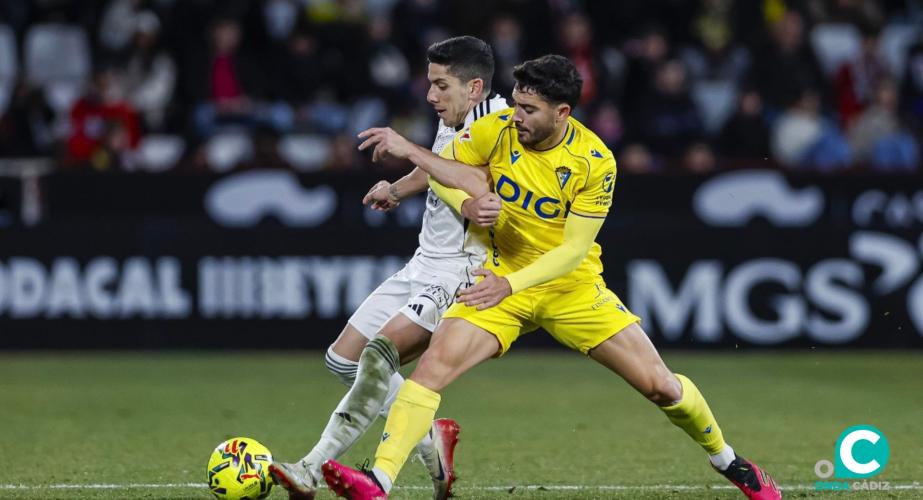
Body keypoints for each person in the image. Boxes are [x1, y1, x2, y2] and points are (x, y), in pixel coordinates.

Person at [322, 55, 783, 500]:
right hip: (501, 278)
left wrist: (509, 284)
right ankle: (378, 483)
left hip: (570, 287)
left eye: (528, 109)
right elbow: (448, 172)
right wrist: (464, 199)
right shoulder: (497, 129)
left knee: (661, 386)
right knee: (431, 371)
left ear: (561, 113)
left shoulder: (594, 161)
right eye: (516, 103)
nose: (515, 116)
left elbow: (572, 251)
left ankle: (728, 461)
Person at [268, 35, 508, 500]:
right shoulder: (456, 116)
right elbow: (439, 165)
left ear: (474, 87)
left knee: (380, 354)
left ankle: (311, 469)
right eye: (429, 84)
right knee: (342, 358)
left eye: (441, 85)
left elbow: (480, 186)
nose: (430, 95)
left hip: (461, 271)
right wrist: (398, 189)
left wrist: (412, 152)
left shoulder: (497, 126)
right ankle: (430, 437)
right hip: (424, 262)